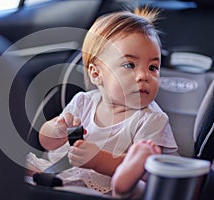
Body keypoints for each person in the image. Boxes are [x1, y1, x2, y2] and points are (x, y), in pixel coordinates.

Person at [27, 7, 178, 198]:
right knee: (22, 167)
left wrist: (98, 160)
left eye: (153, 67)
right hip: (66, 174)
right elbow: (46, 143)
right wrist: (56, 130)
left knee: (139, 187)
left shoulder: (152, 119)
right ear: (96, 73)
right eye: (129, 65)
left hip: (110, 183)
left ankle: (126, 181)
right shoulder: (83, 102)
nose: (143, 76)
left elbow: (152, 170)